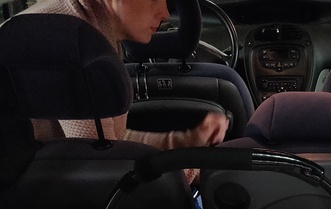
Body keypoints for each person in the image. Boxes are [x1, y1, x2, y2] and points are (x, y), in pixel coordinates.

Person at [21, 0, 229, 182]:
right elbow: (104, 167)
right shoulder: (75, 42)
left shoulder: (89, 26)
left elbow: (112, 145)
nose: (165, 13)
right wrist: (198, 173)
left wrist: (188, 141)